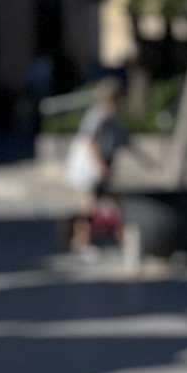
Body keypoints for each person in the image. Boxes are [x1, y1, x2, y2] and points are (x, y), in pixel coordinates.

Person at [64, 76, 128, 249]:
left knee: (108, 201)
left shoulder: (111, 118)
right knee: (90, 203)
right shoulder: (96, 116)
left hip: (101, 166)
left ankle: (119, 238)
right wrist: (99, 165)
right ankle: (81, 238)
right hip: (90, 167)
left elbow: (125, 139)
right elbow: (90, 142)